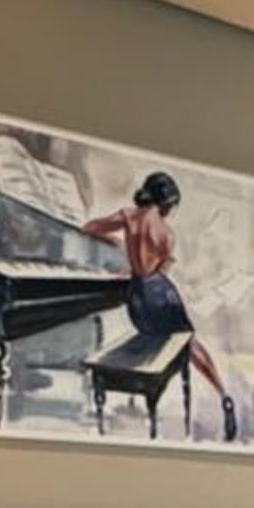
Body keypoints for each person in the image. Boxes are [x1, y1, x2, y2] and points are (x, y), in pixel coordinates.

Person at [81, 170, 239, 439]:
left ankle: (146, 385)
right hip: (160, 294)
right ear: (166, 201)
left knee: (164, 341)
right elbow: (160, 269)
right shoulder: (167, 233)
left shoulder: (127, 216)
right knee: (189, 343)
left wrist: (117, 243)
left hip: (137, 299)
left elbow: (89, 228)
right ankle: (223, 394)